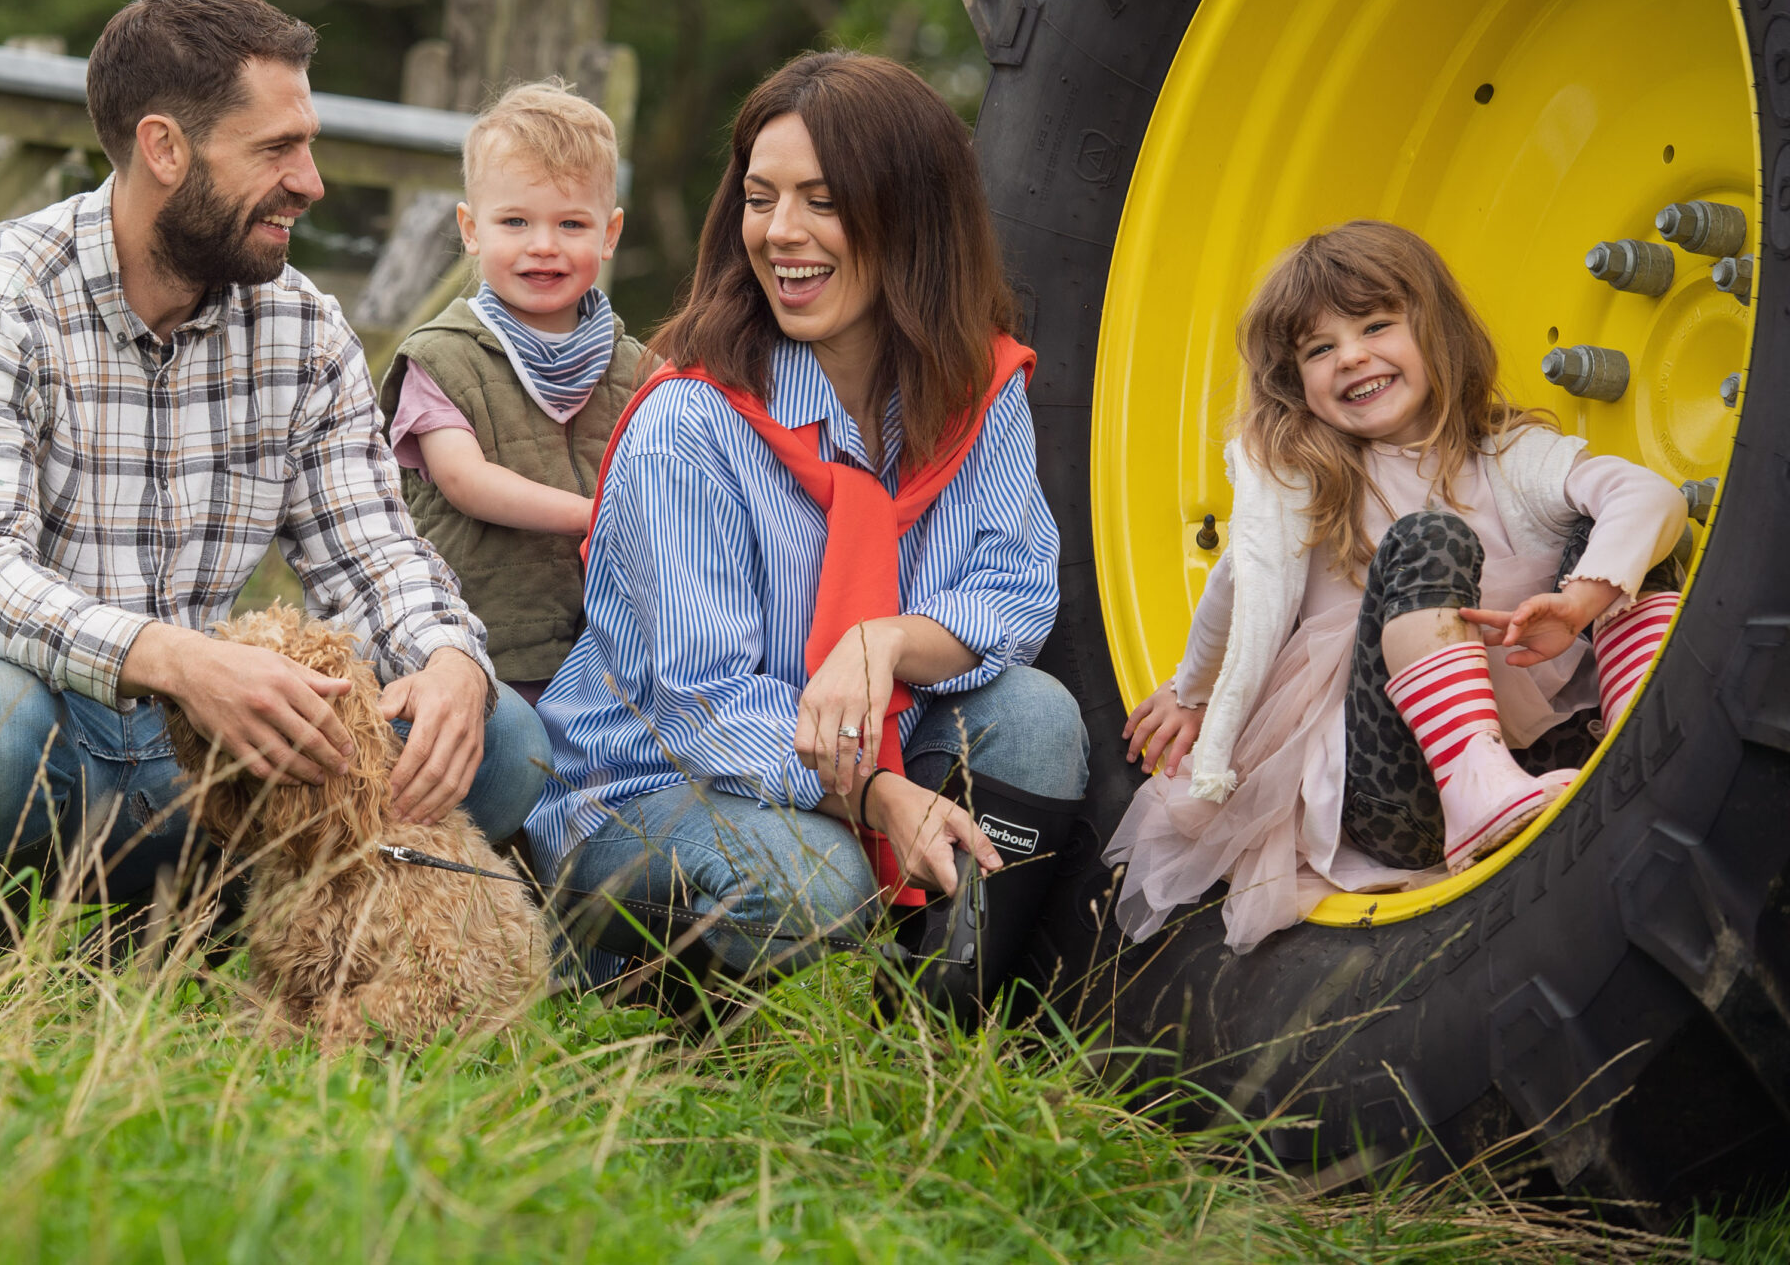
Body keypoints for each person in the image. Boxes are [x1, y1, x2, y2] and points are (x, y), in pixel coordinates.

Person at [0, 0, 549, 949]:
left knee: (500, 743)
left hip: (199, 759)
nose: (311, 180)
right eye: (275, 150)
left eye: (308, 144)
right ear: (165, 148)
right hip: (34, 737)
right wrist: (180, 660)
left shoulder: (300, 327)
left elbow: (373, 551)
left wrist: (449, 656)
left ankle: (203, 929)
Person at [526, 50, 1088, 998]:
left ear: (911, 215)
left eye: (822, 200)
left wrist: (886, 639)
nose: (781, 233)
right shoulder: (690, 424)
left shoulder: (975, 392)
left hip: (854, 753)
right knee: (816, 883)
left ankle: (927, 1034)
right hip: (649, 788)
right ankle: (647, 1008)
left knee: (1037, 722)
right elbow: (702, 707)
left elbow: (1014, 590)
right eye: (760, 197)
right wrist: (876, 794)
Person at [1107, 221, 1686, 953]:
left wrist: (1579, 603)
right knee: (1431, 539)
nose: (1351, 355)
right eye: (1320, 349)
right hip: (1395, 791)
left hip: (1549, 753)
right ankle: (1473, 784)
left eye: (1377, 324)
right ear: (1296, 381)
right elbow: (1240, 590)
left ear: (1436, 332)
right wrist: (1194, 692)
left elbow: (1654, 495)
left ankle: (1641, 716)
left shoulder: (1510, 456)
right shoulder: (1309, 484)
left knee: (1629, 536)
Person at [378, 81, 646, 702]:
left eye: (571, 223)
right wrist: (596, 516)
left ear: (609, 235)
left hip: (604, 657)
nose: (543, 245)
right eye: (516, 221)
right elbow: (465, 482)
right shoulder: (442, 357)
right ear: (472, 229)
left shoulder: (636, 369)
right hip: (478, 654)